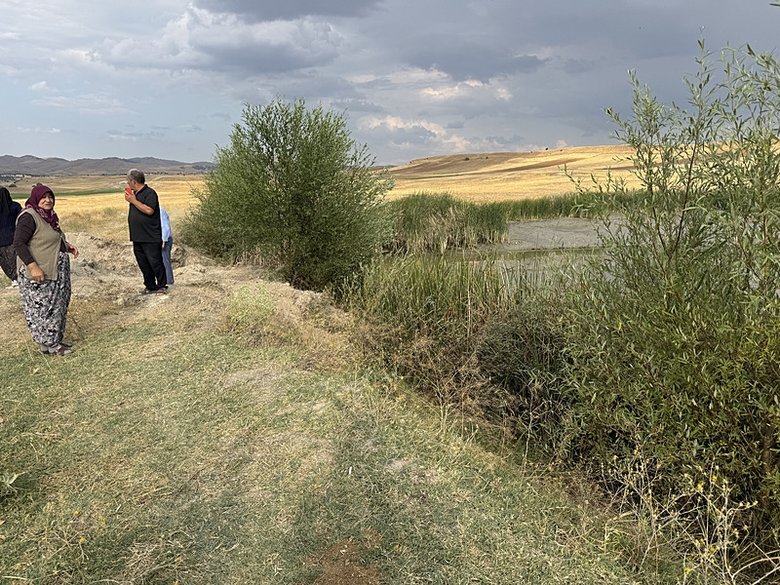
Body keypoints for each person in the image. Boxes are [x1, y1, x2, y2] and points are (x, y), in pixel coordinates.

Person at [13, 184, 79, 355]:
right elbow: (19, 244)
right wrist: (33, 267)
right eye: (44, 197)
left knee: (55, 306)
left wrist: (66, 246)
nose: (48, 200)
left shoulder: (49, 217)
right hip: (38, 273)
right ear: (36, 198)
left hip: (53, 272)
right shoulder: (29, 217)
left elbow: (49, 238)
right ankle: (52, 345)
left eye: (51, 197)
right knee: (43, 309)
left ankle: (49, 343)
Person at [125, 169, 167, 294]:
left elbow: (149, 211)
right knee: (143, 263)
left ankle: (161, 286)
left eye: (128, 181)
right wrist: (133, 199)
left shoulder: (150, 193)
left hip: (150, 236)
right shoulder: (135, 194)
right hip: (138, 237)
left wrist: (133, 201)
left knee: (155, 262)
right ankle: (150, 286)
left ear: (133, 181)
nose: (128, 184)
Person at [0, 186, 22, 287]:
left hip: (1, 241)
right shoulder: (15, 206)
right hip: (14, 238)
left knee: (4, 261)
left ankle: (13, 279)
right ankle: (18, 278)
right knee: (16, 259)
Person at [160, 206, 174, 287]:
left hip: (164, 240)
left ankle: (169, 281)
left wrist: (163, 240)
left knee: (165, 260)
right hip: (159, 240)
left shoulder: (160, 211)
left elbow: (165, 226)